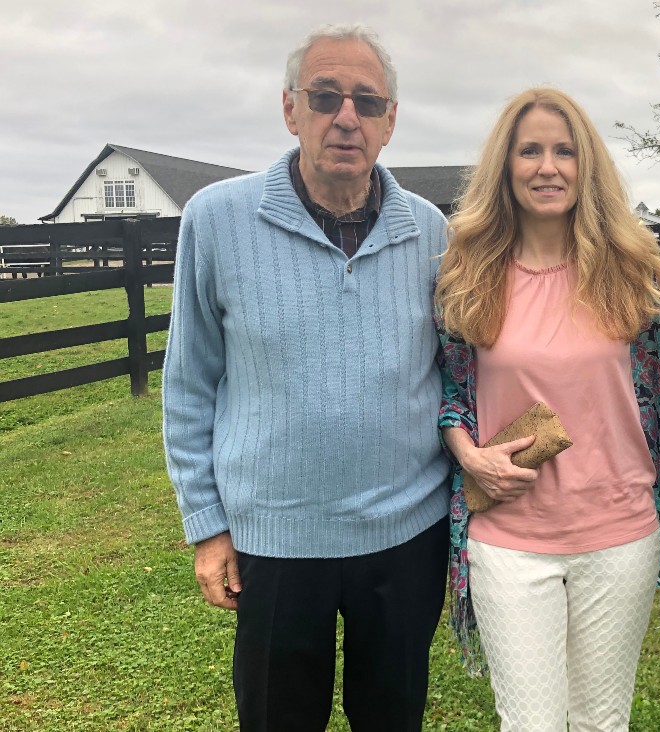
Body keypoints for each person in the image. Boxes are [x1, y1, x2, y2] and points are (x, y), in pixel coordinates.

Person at [162, 24, 450, 732]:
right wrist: (207, 526)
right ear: (291, 110)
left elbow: (457, 370)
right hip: (276, 539)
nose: (345, 116)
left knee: (394, 718)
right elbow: (189, 382)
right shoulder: (217, 220)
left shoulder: (432, 232)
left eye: (366, 101)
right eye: (325, 97)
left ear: (389, 122)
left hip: (407, 533)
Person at [434, 87, 660, 732]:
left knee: (601, 723)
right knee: (530, 724)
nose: (548, 166)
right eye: (530, 151)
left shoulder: (629, 272)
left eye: (564, 151)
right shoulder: (469, 274)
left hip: (618, 532)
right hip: (508, 536)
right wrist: (468, 454)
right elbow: (450, 394)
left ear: (585, 164)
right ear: (504, 167)